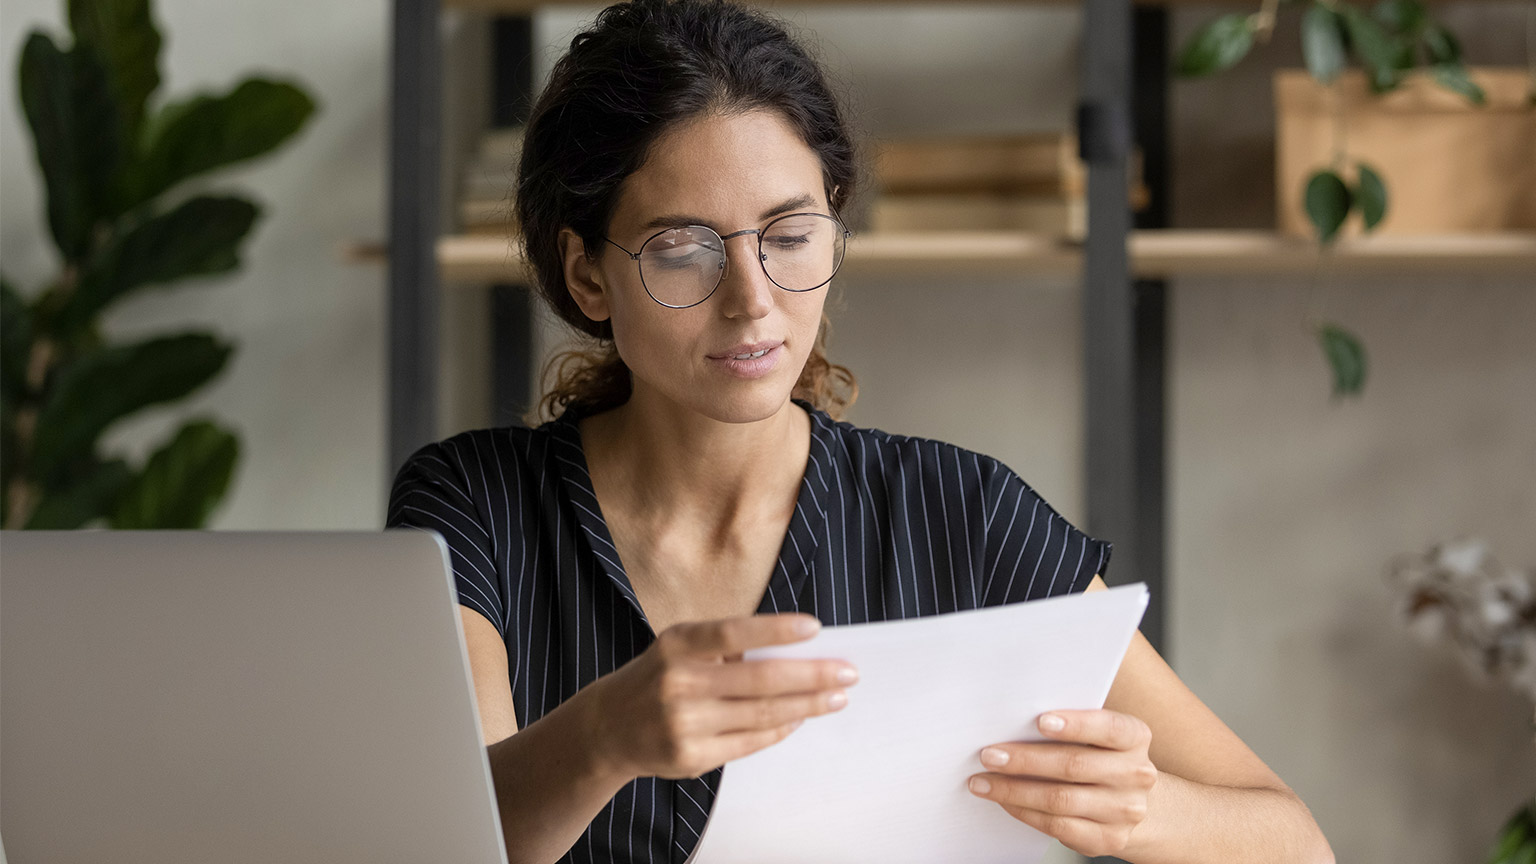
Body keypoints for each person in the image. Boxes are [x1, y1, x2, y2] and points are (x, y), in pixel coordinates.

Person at [386, 1, 1333, 862]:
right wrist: (601, 740)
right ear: (587, 274)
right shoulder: (472, 504)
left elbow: (1294, 844)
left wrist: (1142, 810)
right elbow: (437, 848)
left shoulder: (961, 512)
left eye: (791, 237)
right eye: (683, 250)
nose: (753, 304)